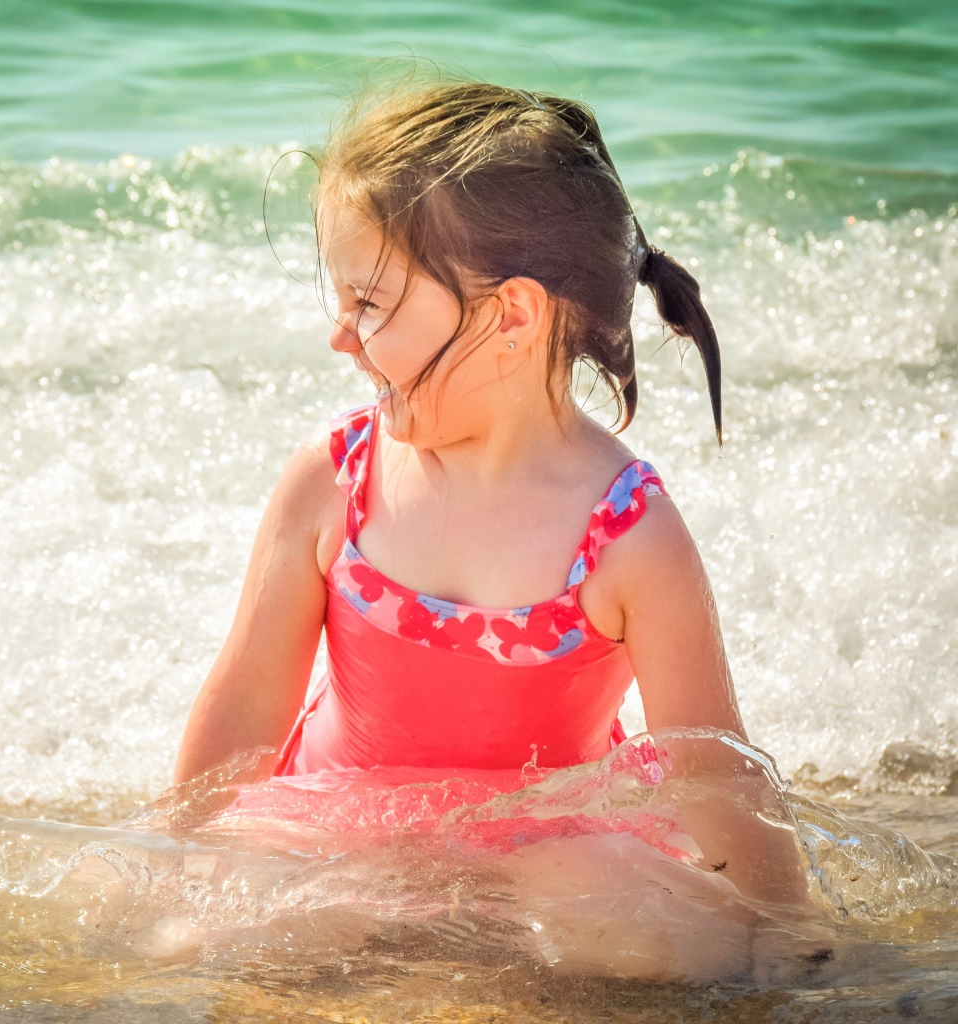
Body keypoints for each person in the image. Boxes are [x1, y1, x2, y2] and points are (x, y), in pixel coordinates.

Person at [173, 82, 808, 921]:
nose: (339, 333)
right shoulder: (336, 479)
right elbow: (248, 707)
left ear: (512, 314)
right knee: (265, 921)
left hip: (547, 853)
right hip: (342, 832)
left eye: (369, 302)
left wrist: (793, 939)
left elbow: (715, 774)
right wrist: (175, 863)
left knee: (615, 921)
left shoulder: (626, 535)